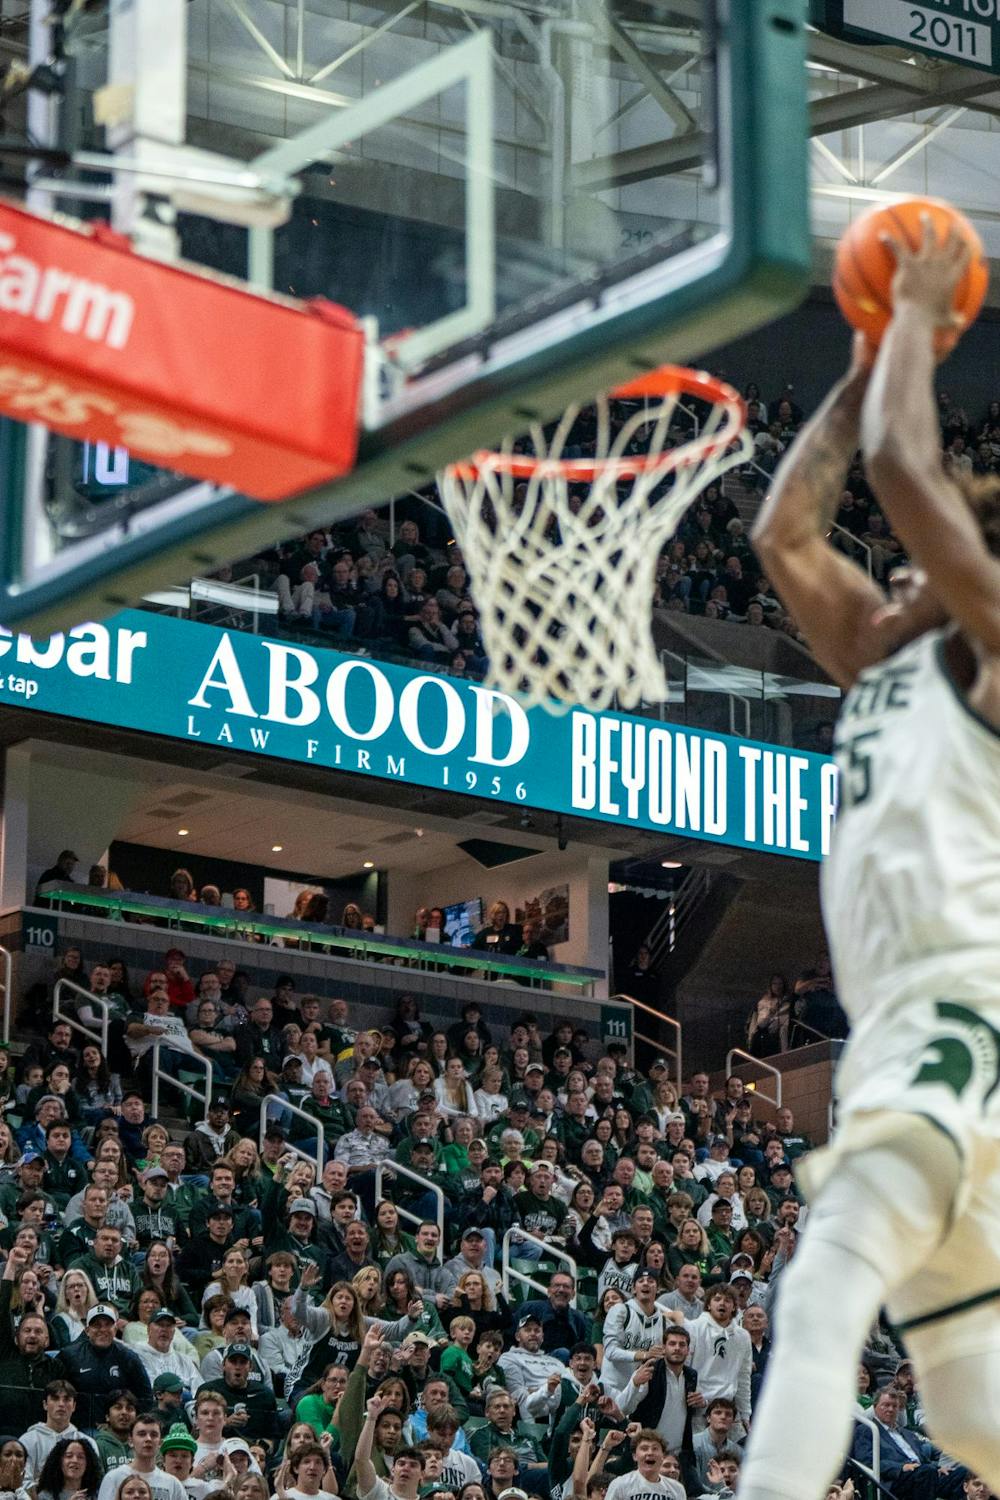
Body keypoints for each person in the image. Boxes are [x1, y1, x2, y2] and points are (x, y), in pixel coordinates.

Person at [740, 218, 1000, 1500]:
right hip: (927, 1041)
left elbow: (907, 460)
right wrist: (851, 370)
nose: (884, 573)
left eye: (908, 559)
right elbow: (786, 539)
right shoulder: (895, 663)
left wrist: (914, 313)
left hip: (954, 1017)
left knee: (827, 1279)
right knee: (968, 1400)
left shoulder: (992, 645)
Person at [34, 1438, 103, 1500]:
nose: (75, 1460)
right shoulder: (46, 1496)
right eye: (69, 1456)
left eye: (80, 1457)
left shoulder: (99, 1493)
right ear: (59, 1461)